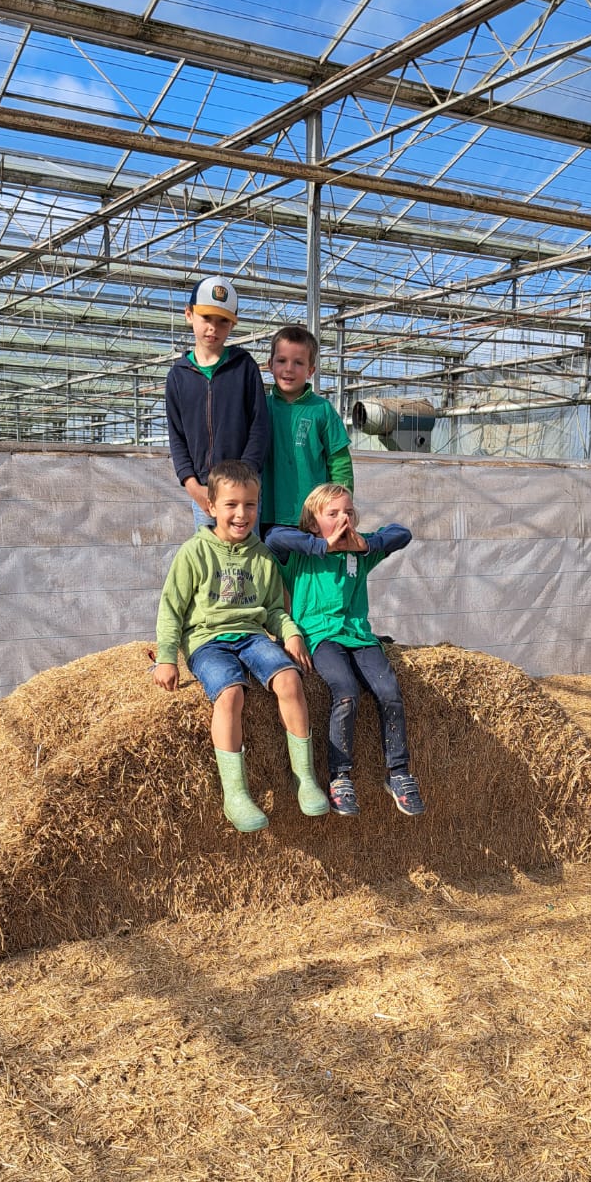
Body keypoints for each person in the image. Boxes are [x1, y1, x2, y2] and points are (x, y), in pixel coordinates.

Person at [152, 460, 329, 833]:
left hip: (251, 635)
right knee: (230, 694)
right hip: (207, 640)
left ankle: (305, 777)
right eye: (231, 504)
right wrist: (167, 658)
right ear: (211, 506)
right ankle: (235, 793)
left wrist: (291, 633)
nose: (241, 513)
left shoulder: (263, 557)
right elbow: (171, 609)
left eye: (250, 504)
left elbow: (276, 611)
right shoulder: (193, 553)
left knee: (290, 680)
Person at [266, 484, 424, 819]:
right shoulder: (301, 553)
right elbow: (273, 538)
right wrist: (321, 545)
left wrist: (365, 544)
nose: (344, 519)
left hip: (360, 637)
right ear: (313, 523)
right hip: (320, 637)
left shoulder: (359, 551)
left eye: (349, 512)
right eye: (333, 513)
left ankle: (398, 773)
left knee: (389, 692)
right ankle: (340, 778)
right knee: (347, 691)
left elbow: (403, 533)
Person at [165, 276, 269, 529]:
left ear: (233, 324)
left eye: (223, 321)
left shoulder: (244, 367)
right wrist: (192, 485)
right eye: (206, 318)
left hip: (243, 490)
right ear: (189, 314)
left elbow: (259, 425)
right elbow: (176, 437)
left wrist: (246, 476)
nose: (213, 327)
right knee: (209, 559)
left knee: (247, 555)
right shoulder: (178, 376)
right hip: (205, 490)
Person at [260, 324, 353, 531]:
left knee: (311, 563)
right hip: (266, 512)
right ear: (269, 364)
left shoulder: (322, 410)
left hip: (312, 518)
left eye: (298, 363)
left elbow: (339, 462)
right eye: (281, 361)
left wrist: (341, 508)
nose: (289, 369)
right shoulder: (261, 407)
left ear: (311, 370)